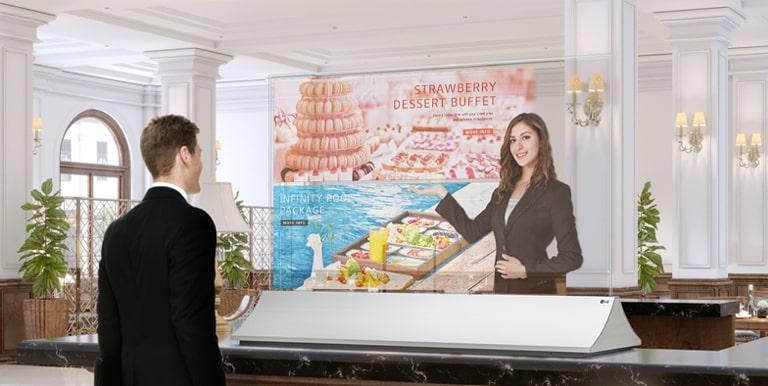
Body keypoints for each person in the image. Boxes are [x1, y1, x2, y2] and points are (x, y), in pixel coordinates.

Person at [96, 114, 226, 386]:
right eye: (199, 154)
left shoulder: (116, 232)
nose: (202, 163)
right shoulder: (194, 224)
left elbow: (108, 325)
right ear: (184, 155)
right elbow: (192, 323)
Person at [412, 112, 582, 294]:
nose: (518, 146)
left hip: (535, 294)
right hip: (501, 291)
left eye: (526, 137)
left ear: (541, 141)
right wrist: (442, 193)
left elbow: (571, 257)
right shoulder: (503, 190)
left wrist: (525, 270)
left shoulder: (556, 192)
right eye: (513, 140)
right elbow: (472, 231)